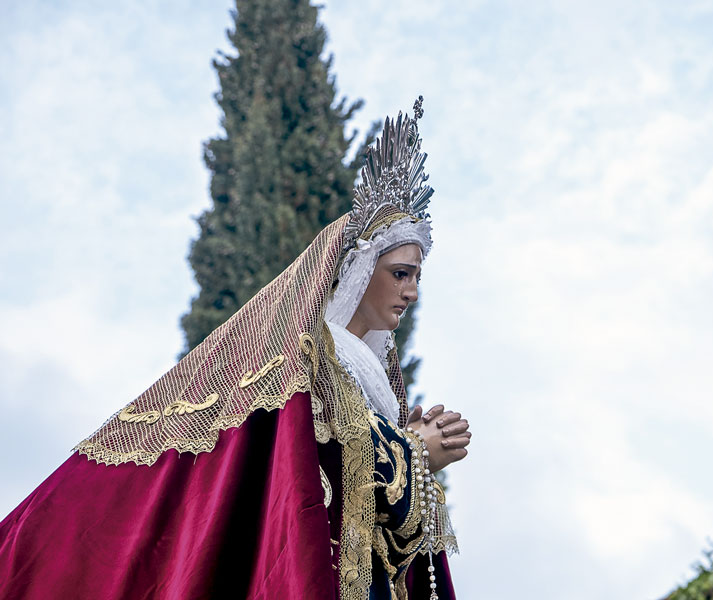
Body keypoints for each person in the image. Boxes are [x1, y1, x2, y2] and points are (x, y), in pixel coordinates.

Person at [0, 97, 469, 600]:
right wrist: (411, 451)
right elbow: (306, 474)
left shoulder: (367, 381)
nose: (411, 292)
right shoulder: (310, 359)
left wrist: (406, 447)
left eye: (416, 277)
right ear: (358, 271)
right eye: (400, 274)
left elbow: (373, 534)